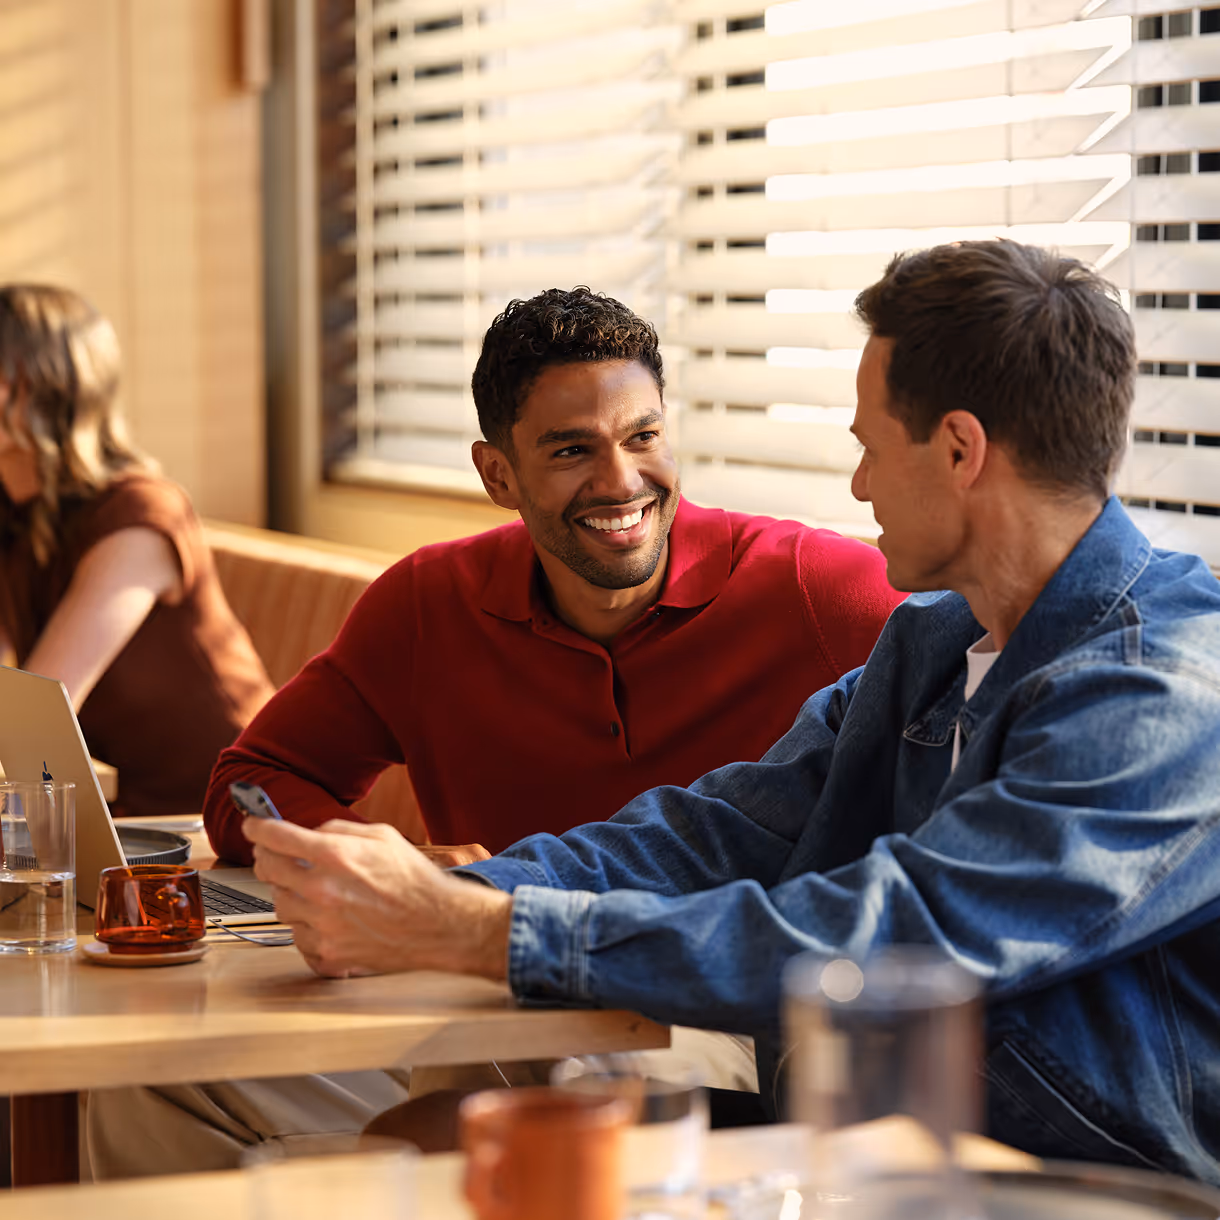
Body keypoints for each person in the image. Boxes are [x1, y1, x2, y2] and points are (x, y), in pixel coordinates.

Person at [246, 242, 1220, 1185]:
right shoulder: (930, 648)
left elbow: (895, 936)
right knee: (442, 1137)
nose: (859, 484)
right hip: (882, 1129)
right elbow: (710, 830)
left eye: (869, 449)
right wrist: (407, 894)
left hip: (1079, 1179)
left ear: (959, 449)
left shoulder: (1160, 690)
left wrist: (485, 931)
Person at [86, 287, 901, 1177]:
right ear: (497, 474)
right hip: (482, 988)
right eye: (570, 450)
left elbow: (985, 678)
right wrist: (391, 868)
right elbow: (253, 776)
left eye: (643, 437)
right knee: (155, 1075)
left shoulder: (818, 591)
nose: (622, 481)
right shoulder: (429, 601)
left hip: (702, 1018)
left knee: (474, 1100)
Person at [0, 285, 274, 817]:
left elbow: (38, 710)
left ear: (30, 388)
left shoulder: (140, 516)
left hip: (226, 817)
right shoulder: (15, 513)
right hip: (114, 818)